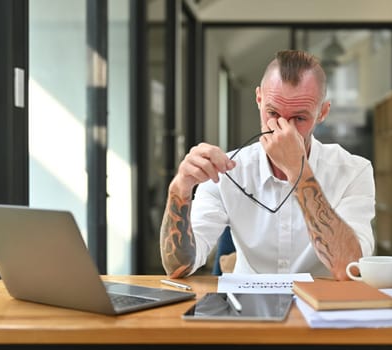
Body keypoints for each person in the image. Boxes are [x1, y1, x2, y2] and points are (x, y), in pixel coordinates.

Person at [160, 50, 375, 280]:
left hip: (320, 308)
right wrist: (180, 188)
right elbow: (178, 268)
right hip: (247, 307)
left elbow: (350, 269)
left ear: (322, 112)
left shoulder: (354, 171)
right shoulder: (227, 171)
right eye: (272, 112)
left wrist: (298, 172)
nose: (282, 129)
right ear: (259, 99)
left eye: (300, 118)